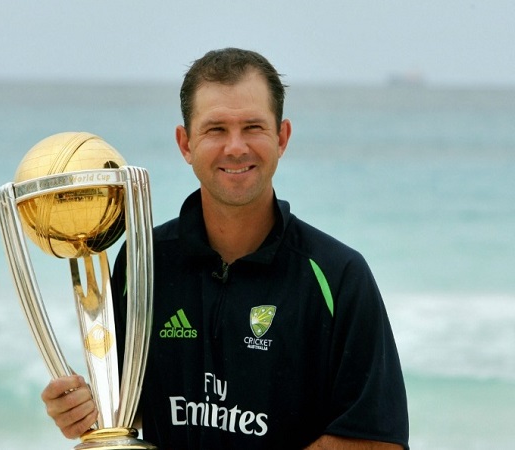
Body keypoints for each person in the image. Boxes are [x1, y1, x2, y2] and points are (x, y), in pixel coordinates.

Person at [42, 48, 409, 449]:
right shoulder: (142, 264)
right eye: (216, 129)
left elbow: (377, 440)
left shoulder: (336, 275)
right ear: (185, 143)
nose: (236, 147)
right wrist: (84, 409)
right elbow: (126, 407)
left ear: (282, 137)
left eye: (253, 127)